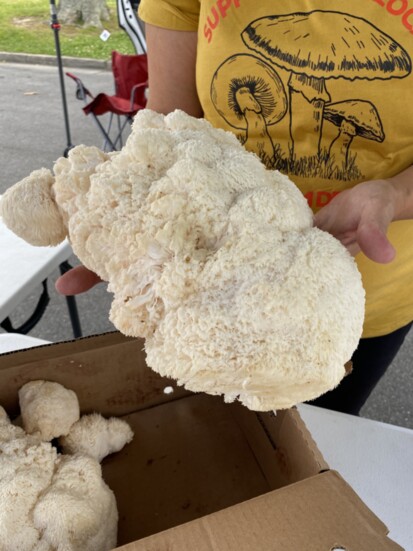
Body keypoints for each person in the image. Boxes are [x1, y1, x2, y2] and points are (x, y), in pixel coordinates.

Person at [57, 0, 413, 415]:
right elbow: (172, 121)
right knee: (201, 437)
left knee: (320, 441)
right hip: (206, 282)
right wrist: (130, 219)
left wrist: (395, 194)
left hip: (359, 298)